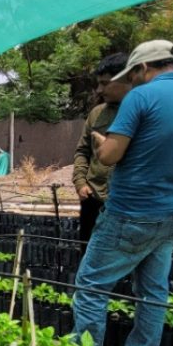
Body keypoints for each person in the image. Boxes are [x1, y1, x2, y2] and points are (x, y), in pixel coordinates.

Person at [70, 40, 173, 346]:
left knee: (92, 285)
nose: (131, 82)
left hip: (131, 210)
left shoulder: (142, 96)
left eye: (132, 75)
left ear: (143, 68)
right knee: (153, 292)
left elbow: (108, 156)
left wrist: (99, 142)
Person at [72, 53, 131, 245]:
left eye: (105, 84)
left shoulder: (142, 112)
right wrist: (81, 182)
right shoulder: (97, 114)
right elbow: (82, 151)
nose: (99, 89)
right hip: (93, 197)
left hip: (126, 201)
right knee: (87, 252)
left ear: (128, 79)